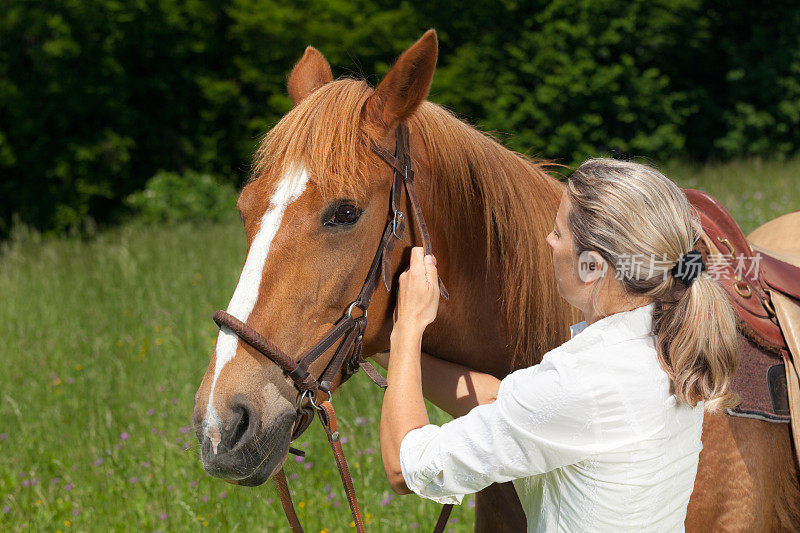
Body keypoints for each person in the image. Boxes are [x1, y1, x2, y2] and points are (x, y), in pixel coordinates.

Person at [379, 158, 739, 531]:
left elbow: (404, 468)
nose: (549, 241)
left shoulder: (582, 380)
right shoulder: (669, 343)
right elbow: (505, 403)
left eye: (559, 232)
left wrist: (408, 327)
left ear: (592, 267)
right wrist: (391, 355)